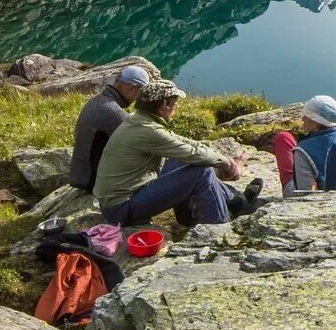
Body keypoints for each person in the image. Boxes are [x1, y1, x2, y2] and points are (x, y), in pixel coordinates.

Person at [93, 77, 262, 227]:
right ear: (164, 105)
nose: (176, 106)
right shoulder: (147, 131)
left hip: (122, 200)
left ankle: (230, 205)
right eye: (174, 103)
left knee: (181, 161)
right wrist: (227, 163)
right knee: (202, 172)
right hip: (122, 209)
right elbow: (194, 154)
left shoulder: (139, 121)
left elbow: (181, 142)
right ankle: (217, 229)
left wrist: (222, 158)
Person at [68, 64, 147, 192]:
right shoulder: (112, 111)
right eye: (140, 93)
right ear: (131, 88)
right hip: (93, 181)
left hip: (80, 176)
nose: (138, 98)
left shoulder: (96, 101)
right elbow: (141, 142)